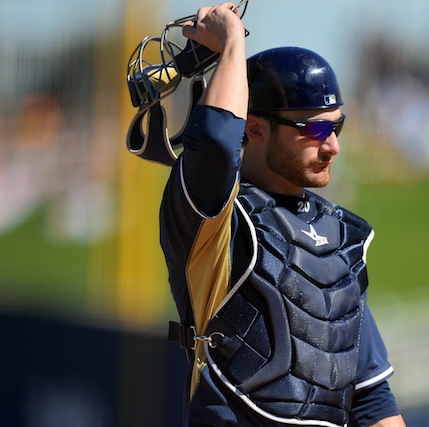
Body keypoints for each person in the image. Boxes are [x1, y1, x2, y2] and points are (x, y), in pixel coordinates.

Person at [160, 3, 406, 426]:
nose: (332, 146)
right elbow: (216, 146)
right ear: (254, 128)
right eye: (313, 129)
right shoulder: (215, 220)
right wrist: (232, 42)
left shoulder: (340, 236)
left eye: (336, 127)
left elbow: (370, 395)